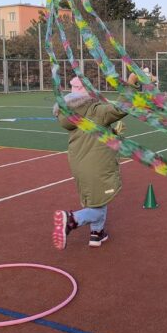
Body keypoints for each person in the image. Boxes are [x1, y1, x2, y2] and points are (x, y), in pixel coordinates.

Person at [52, 76, 128, 250]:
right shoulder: (95, 110)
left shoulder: (70, 114)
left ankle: (97, 233)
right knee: (98, 203)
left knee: (97, 198)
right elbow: (121, 107)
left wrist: (112, 133)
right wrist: (131, 85)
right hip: (97, 164)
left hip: (79, 162)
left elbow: (91, 134)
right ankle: (72, 219)